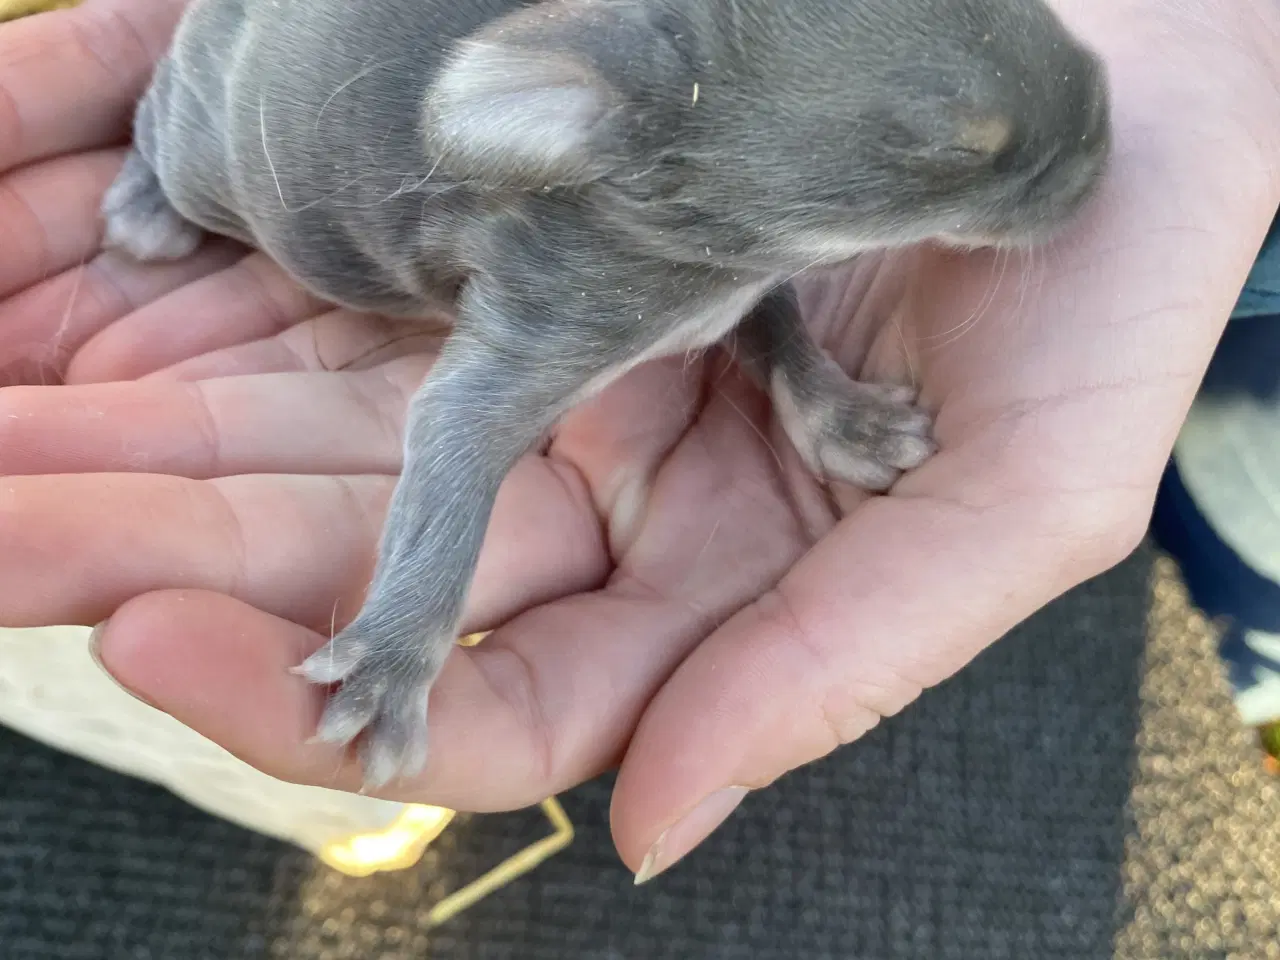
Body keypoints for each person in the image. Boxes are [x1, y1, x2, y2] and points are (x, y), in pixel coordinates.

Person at [0, 0, 1276, 885]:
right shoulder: (627, 188)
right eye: (949, 149)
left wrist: (811, 388)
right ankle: (160, 152)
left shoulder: (715, 188)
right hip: (263, 99)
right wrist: (401, 636)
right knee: (204, 155)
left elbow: (738, 258)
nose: (1080, 152)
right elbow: (464, 416)